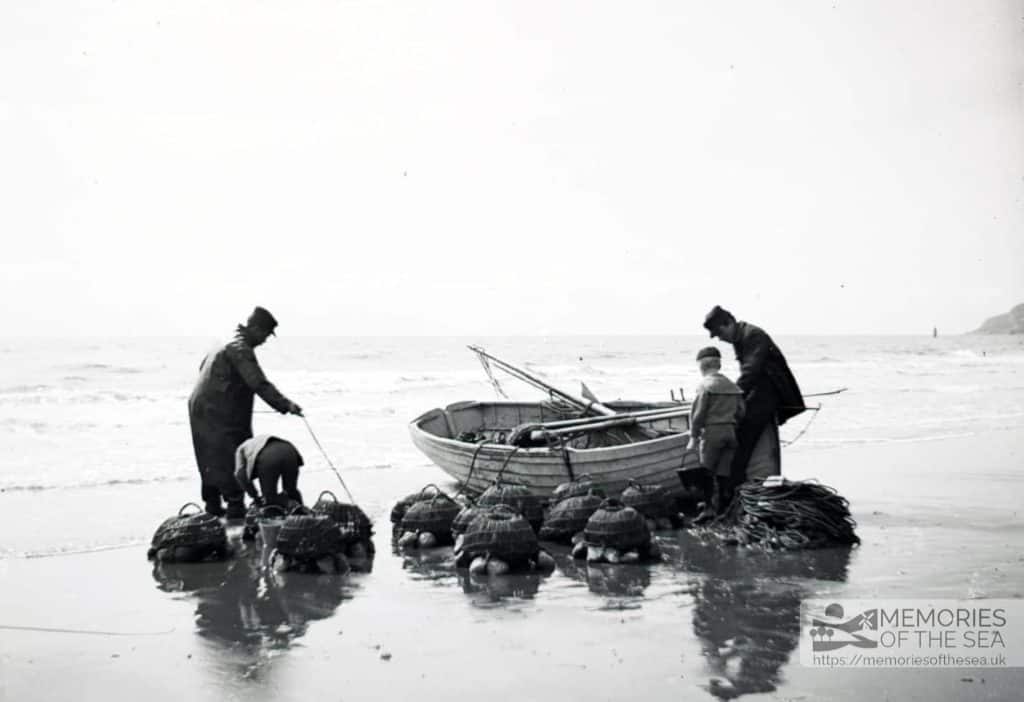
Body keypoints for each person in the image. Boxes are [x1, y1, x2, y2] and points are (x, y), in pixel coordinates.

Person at [188, 306, 303, 518]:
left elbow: (202, 367)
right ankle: (235, 508)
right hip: (220, 410)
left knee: (208, 457)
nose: (265, 340)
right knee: (233, 454)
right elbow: (258, 382)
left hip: (200, 406)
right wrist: (286, 405)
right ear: (256, 329)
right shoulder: (240, 348)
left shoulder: (223, 341)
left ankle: (212, 506)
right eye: (266, 335)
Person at [702, 305, 805, 487]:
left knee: (743, 433)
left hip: (770, 391)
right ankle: (736, 481)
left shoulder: (753, 335)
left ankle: (736, 484)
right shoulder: (740, 337)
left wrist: (732, 395)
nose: (720, 339)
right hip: (758, 389)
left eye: (719, 333)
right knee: (740, 428)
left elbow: (751, 372)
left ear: (728, 324)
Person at [686, 346, 745, 521]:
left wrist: (693, 437)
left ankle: (709, 508)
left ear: (702, 366)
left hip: (712, 433)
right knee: (723, 472)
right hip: (730, 432)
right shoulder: (732, 386)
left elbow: (698, 414)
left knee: (706, 471)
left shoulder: (705, 386)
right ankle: (723, 508)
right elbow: (741, 412)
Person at [234, 434, 304, 508]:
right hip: (290, 450)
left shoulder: (240, 451)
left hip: (268, 455)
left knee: (270, 499)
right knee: (291, 491)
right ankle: (301, 509)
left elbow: (240, 476)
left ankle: (288, 505)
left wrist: (255, 497)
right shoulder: (252, 444)